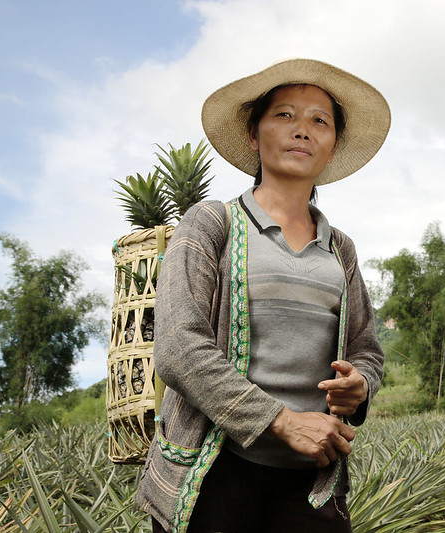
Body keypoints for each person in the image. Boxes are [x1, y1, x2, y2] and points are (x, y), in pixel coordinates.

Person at [135, 59, 390, 533]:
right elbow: (178, 347)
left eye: (320, 121)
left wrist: (361, 385)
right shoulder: (210, 224)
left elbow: (366, 349)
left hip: (311, 481)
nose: (303, 131)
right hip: (213, 474)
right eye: (284, 115)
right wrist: (280, 421)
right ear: (253, 135)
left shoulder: (341, 249)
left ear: (332, 146)